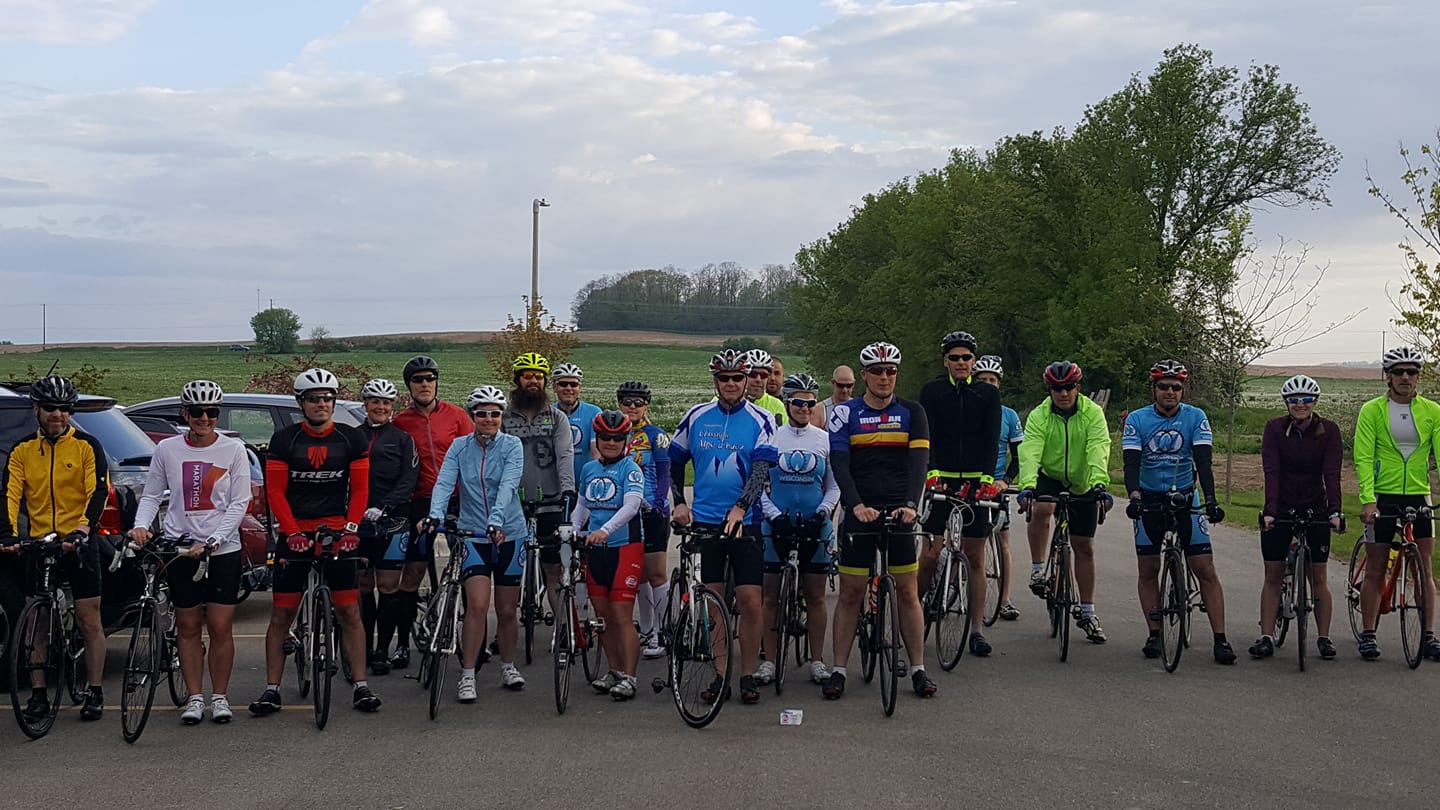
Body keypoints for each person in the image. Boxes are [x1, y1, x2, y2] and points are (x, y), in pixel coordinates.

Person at [250, 368, 381, 715]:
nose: (321, 404)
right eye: (313, 399)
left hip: (337, 530)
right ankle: (272, 689)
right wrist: (291, 532)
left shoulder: (351, 439)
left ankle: (361, 686)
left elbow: (360, 490)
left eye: (327, 398)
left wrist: (351, 528)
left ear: (334, 401)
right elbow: (276, 492)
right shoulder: (285, 440)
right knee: (282, 613)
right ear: (301, 403)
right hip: (295, 530)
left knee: (349, 610)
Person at [130, 380, 252, 724]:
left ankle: (220, 697)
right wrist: (141, 525)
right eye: (197, 411)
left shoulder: (233, 449)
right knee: (187, 625)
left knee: (220, 625)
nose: (204, 418)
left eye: (211, 412)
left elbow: (240, 502)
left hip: (221, 549)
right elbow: (152, 494)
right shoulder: (167, 449)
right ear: (185, 414)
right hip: (181, 548)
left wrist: (213, 540)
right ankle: (195, 698)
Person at [827, 341, 936, 699]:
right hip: (861, 509)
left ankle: (918, 668)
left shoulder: (913, 412)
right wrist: (855, 505)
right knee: (851, 593)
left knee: (907, 592)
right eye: (877, 371)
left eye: (891, 371)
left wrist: (911, 505)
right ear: (864, 375)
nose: (884, 377)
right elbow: (839, 465)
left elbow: (918, 464)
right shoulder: (846, 413)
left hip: (899, 509)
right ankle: (839, 670)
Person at [669, 349, 778, 705]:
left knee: (750, 601)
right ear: (715, 382)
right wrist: (679, 502)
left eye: (737, 378)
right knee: (712, 603)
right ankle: (720, 674)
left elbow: (761, 470)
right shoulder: (696, 416)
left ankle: (747, 674)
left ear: (746, 381)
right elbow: (674, 462)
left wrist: (740, 508)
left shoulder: (762, 418)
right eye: (724, 378)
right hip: (705, 521)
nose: (730, 384)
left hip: (746, 522)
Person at [1, 375, 109, 721]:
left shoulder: (87, 446)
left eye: (65, 408)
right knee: (37, 620)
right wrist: (7, 534)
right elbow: (9, 495)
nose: (58, 414)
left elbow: (97, 492)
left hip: (78, 541)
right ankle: (37, 695)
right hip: (41, 541)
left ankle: (95, 691)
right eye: (50, 407)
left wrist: (82, 529)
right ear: (36, 409)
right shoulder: (22, 451)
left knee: (89, 618)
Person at [1123, 359, 1233, 664]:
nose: (1170, 392)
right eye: (1163, 386)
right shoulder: (1137, 420)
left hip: (1185, 497)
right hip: (1149, 499)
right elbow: (1131, 463)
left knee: (1205, 569)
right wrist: (1134, 497)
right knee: (1148, 569)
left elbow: (1203, 462)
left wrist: (1210, 500)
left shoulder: (1195, 417)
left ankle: (1221, 639)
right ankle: (1154, 634)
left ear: (1183, 390)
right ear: (1154, 389)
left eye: (1176, 387)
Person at [427, 386, 526, 702]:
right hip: (473, 534)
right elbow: (445, 482)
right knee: (478, 605)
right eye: (482, 413)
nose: (489, 419)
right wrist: (435, 514)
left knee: (507, 610)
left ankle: (508, 666)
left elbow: (509, 485)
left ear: (502, 416)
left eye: (495, 413)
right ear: (472, 416)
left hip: (510, 532)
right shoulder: (459, 447)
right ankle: (468, 674)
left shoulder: (512, 445)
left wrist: (497, 520)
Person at [1014, 362, 1114, 644]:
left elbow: (1098, 447)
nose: (1063, 393)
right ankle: (1038, 569)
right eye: (1057, 388)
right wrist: (1027, 486)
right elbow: (1031, 450)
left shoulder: (1092, 412)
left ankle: (1088, 611)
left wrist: (1099, 484)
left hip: (1083, 479)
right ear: (1050, 390)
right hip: (1050, 476)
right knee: (1042, 507)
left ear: (1077, 388)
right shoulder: (1040, 415)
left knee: (1084, 548)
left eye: (1069, 387)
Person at [918, 330, 1002, 657]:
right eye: (954, 358)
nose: (961, 362)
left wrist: (987, 478)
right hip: (942, 481)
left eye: (966, 357)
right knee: (929, 554)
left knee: (976, 557)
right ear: (946, 361)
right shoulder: (933, 391)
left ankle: (976, 629)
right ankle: (915, 609)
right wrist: (932, 472)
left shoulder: (987, 394)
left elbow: (991, 438)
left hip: (976, 483)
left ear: (974, 361)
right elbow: (926, 435)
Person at [1354, 346, 1440, 661]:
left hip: (1418, 493)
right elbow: (1363, 457)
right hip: (1382, 495)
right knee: (1377, 567)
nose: (1406, 377)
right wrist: (1367, 499)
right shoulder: (1372, 411)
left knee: (1424, 569)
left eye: (1412, 372)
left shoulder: (1432, 411)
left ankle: (1428, 636)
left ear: (1418, 377)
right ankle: (1368, 634)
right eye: (1399, 372)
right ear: (1388, 376)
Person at [390, 354, 472, 670]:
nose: (425, 384)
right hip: (420, 500)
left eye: (430, 378)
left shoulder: (457, 416)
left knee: (467, 569)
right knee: (412, 572)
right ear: (409, 385)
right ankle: (402, 644)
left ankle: (471, 640)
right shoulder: (401, 422)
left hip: (457, 499)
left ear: (436, 382)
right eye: (418, 380)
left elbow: (473, 453)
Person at [1252, 375, 1342, 660]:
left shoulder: (1329, 431)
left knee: (1319, 577)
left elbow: (1331, 473)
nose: (1300, 404)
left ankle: (1324, 638)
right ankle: (1266, 636)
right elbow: (1271, 471)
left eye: (1305, 400)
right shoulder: (1275, 429)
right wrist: (1270, 510)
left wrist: (1335, 511)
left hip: (1315, 506)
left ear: (1314, 402)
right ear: (1286, 403)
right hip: (1282, 506)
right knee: (1274, 574)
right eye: (1294, 400)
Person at [758, 373, 838, 686]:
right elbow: (758, 484)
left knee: (816, 597)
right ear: (787, 403)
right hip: (776, 524)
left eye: (810, 403)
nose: (805, 408)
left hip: (814, 524)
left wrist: (822, 513)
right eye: (798, 403)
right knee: (770, 597)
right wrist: (774, 515)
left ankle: (817, 661)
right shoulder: (772, 437)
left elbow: (834, 486)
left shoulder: (824, 440)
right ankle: (769, 660)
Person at [502, 352, 576, 655]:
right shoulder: (503, 416)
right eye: (527, 375)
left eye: (538, 376)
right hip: (512, 502)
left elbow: (565, 455)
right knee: (507, 571)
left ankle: (564, 628)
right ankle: (504, 632)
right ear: (517, 380)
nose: (533, 381)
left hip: (550, 500)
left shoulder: (557, 418)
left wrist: (568, 490)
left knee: (553, 569)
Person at [572, 410, 647, 700]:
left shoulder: (631, 469)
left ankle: (630, 676)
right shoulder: (589, 469)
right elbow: (582, 505)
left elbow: (631, 506)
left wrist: (604, 530)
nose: (611, 442)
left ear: (625, 440)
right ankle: (614, 670)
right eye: (605, 437)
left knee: (621, 615)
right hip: (596, 551)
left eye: (617, 438)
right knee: (602, 616)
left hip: (625, 547)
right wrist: (572, 529)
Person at [353, 379, 418, 675]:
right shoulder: (352, 436)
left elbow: (409, 479)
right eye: (375, 401)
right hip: (359, 522)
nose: (381, 407)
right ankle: (364, 647)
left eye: (386, 402)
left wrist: (385, 506)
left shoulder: (403, 439)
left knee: (389, 586)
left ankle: (382, 650)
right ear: (365, 403)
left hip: (394, 522)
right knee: (364, 587)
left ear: (393, 406)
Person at [615, 380, 673, 660]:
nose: (632, 407)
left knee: (656, 573)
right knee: (636, 575)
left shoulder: (656, 435)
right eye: (627, 402)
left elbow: (665, 473)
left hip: (652, 512)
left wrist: (659, 503)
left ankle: (663, 632)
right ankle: (648, 629)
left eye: (638, 403)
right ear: (619, 404)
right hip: (626, 512)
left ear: (646, 406)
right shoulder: (614, 434)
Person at [973, 355, 1022, 620]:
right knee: (961, 541)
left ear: (999, 384)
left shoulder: (1009, 416)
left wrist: (1005, 481)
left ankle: (1004, 599)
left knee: (1003, 542)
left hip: (996, 486)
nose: (988, 385)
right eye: (983, 380)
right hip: (970, 482)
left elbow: (1019, 456)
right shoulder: (966, 410)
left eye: (993, 380)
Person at [553, 363, 601, 487]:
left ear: (580, 388)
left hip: (585, 482)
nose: (569, 388)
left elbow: (596, 451)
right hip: (555, 484)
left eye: (573, 384)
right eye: (563, 384)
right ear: (554, 387)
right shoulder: (548, 413)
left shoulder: (593, 412)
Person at [741, 348, 786, 426]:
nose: (758, 379)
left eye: (763, 375)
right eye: (753, 374)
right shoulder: (726, 401)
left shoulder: (777, 405)